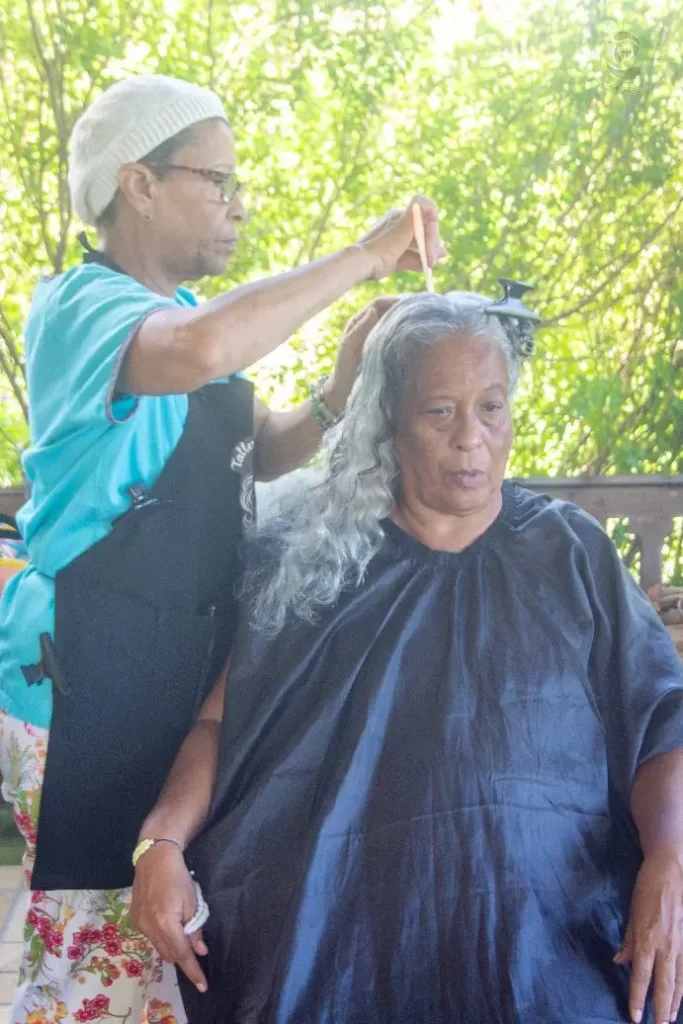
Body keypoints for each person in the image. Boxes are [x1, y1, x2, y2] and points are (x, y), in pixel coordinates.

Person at [0, 72, 445, 1024]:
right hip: (88, 679)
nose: (239, 204)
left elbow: (257, 452)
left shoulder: (186, 311)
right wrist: (365, 256)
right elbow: (199, 350)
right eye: (218, 180)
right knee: (99, 958)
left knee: (172, 955)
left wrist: (337, 386)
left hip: (178, 672)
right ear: (139, 182)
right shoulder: (84, 307)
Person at [132, 290, 683, 1024]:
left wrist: (668, 859)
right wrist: (159, 844)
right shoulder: (315, 562)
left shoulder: (569, 552)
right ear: (389, 421)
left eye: (490, 407)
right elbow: (219, 722)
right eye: (439, 411)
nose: (470, 439)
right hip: (335, 952)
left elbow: (658, 722)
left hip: (549, 952)